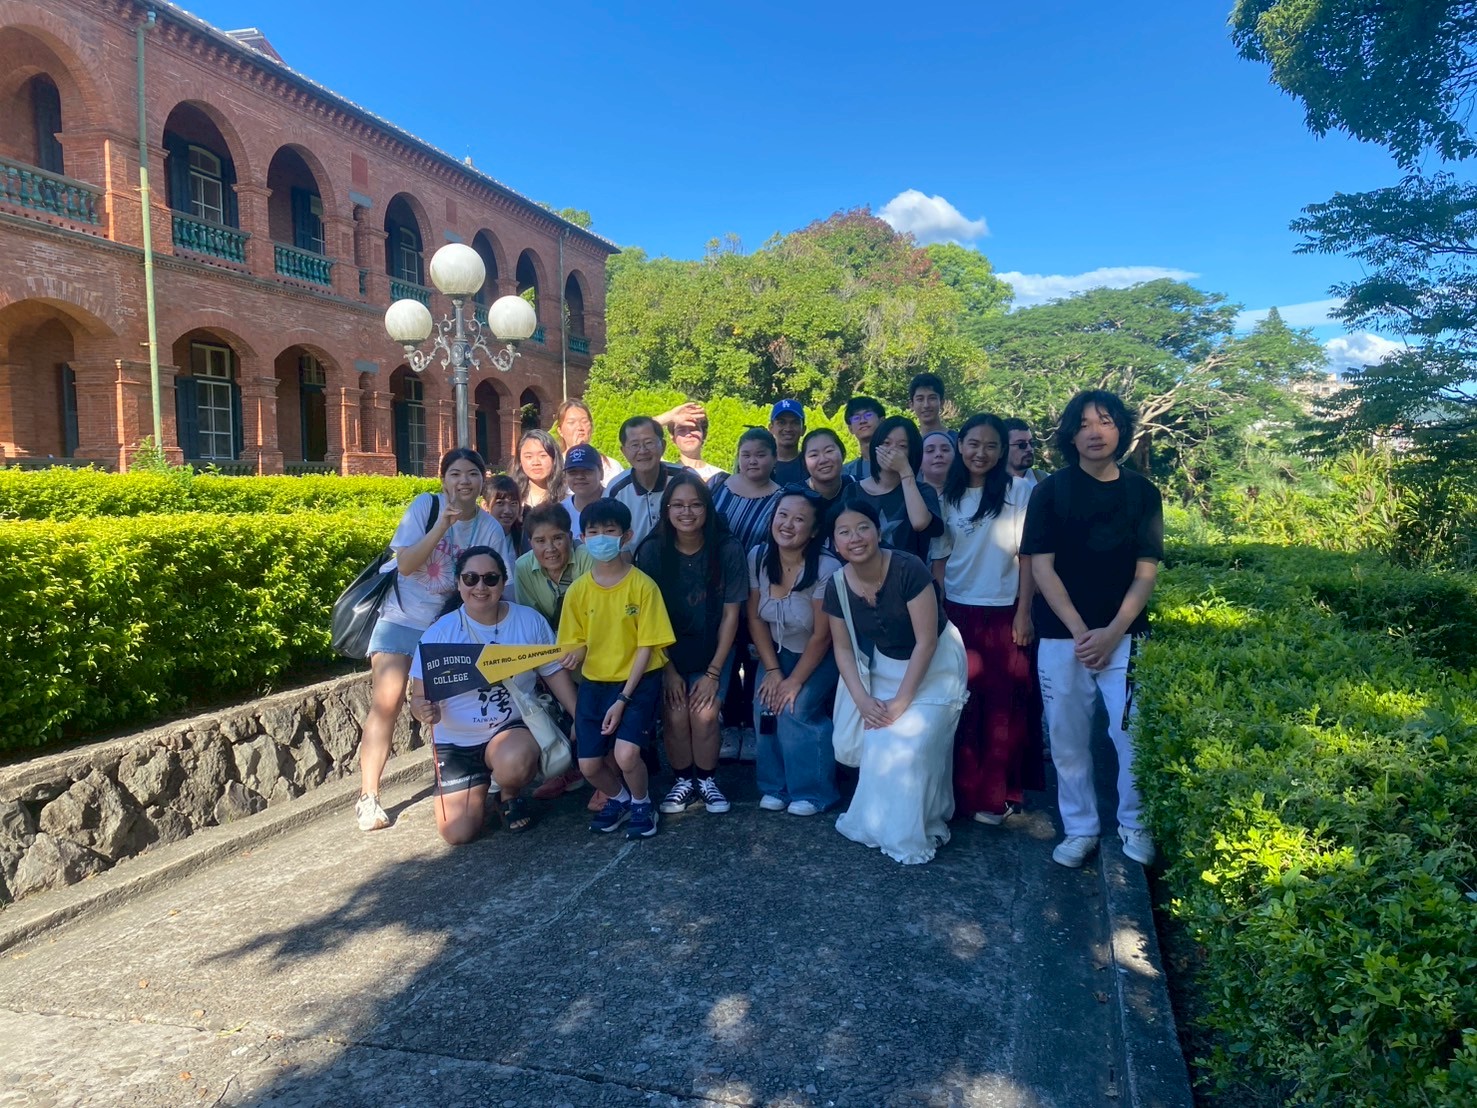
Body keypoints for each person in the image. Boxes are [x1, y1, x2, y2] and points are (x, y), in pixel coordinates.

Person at [1021, 389, 1163, 869]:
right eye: (1083, 424)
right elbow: (1042, 568)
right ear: (1070, 435)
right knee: (1067, 740)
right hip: (1062, 638)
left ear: (1121, 429)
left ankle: (1135, 823)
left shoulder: (1143, 493)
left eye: (1104, 421)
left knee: (1133, 736)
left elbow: (1146, 573)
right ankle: (1080, 828)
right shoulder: (1049, 492)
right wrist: (1084, 632)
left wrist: (1112, 632)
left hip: (1127, 637)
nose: (1094, 432)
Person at [357, 448, 517, 832]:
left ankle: (473, 780)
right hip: (402, 619)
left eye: (472, 474)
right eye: (455, 473)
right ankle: (368, 796)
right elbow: (406, 564)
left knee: (453, 705)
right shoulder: (425, 507)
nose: (464, 481)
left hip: (451, 629)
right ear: (443, 479)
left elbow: (504, 584)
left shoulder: (489, 527)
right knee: (388, 700)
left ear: (482, 480)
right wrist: (442, 527)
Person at [824, 502, 967, 864]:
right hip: (886, 667)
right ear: (835, 543)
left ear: (878, 531)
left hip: (937, 666)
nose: (855, 538)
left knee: (915, 745)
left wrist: (902, 701)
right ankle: (877, 824)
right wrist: (862, 700)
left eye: (863, 527)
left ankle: (918, 827)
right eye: (844, 532)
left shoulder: (908, 567)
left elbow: (927, 641)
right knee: (880, 743)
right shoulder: (837, 584)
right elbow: (843, 649)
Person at [409, 547, 578, 843]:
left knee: (515, 762)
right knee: (458, 834)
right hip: (456, 741)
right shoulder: (439, 634)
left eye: (490, 578)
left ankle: (507, 793)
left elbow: (553, 672)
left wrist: (580, 718)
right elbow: (418, 697)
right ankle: (476, 788)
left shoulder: (528, 621)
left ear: (503, 582)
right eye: (471, 578)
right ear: (458, 583)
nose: (480, 586)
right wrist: (423, 710)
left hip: (510, 729)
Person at [933, 413, 1043, 826]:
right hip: (957, 611)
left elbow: (1027, 557)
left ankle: (996, 797)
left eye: (991, 445)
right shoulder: (947, 495)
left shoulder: (1019, 491)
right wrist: (940, 611)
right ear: (960, 445)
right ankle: (961, 795)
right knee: (961, 705)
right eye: (974, 444)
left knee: (1002, 708)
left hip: (1003, 611)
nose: (981, 453)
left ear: (1001, 451)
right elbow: (940, 557)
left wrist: (1024, 612)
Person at [556, 498, 675, 839]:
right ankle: (620, 799)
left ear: (626, 536)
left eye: (609, 531)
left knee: (626, 754)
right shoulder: (578, 590)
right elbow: (574, 641)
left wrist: (623, 698)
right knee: (589, 764)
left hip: (637, 681)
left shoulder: (643, 586)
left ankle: (642, 803)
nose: (601, 539)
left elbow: (647, 645)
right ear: (582, 538)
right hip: (594, 683)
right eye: (593, 532)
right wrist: (576, 653)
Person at [634, 472, 748, 818]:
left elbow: (731, 614)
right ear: (666, 510)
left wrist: (713, 673)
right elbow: (648, 619)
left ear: (708, 509)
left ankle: (708, 780)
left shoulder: (727, 549)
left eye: (696, 504)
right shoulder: (652, 551)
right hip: (667, 650)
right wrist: (668, 670)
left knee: (704, 714)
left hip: (714, 648)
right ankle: (683, 780)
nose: (687, 512)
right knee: (674, 712)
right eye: (678, 505)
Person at [748, 489, 841, 815]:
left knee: (795, 707)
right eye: (782, 515)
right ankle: (774, 786)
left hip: (821, 655)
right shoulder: (758, 557)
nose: (787, 524)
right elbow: (755, 618)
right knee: (764, 705)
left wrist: (794, 681)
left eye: (799, 519)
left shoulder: (827, 567)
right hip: (776, 652)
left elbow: (821, 636)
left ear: (814, 530)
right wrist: (774, 671)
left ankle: (814, 792)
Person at [514, 501, 595, 800]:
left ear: (570, 537)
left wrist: (578, 646)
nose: (550, 548)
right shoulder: (523, 567)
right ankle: (565, 770)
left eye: (557, 538)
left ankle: (608, 778)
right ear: (530, 542)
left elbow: (599, 614)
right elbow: (532, 620)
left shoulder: (587, 559)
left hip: (594, 644)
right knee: (542, 693)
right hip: (553, 650)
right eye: (540, 541)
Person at [847, 415, 944, 564]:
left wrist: (905, 471)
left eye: (902, 446)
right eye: (886, 443)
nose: (892, 451)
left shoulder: (923, 491)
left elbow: (920, 523)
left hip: (909, 574)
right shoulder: (853, 490)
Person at [607, 416, 685, 548]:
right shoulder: (616, 491)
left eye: (649, 443)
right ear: (623, 451)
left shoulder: (685, 479)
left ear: (663, 446)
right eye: (635, 445)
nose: (642, 451)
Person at [711, 427, 783, 552]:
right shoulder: (717, 482)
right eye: (746, 455)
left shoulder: (781, 499)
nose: (752, 461)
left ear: (775, 457)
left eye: (760, 455)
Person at [553, 398, 624, 483]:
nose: (579, 427)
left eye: (584, 421)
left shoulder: (611, 466)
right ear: (560, 431)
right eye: (571, 422)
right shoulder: (554, 467)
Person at [800, 427, 856, 519]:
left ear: (843, 453)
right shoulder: (794, 496)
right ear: (804, 462)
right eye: (814, 455)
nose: (823, 460)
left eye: (829, 451)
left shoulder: (860, 487)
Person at [662, 403, 726, 483]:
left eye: (694, 429)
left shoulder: (720, 477)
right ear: (673, 437)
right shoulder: (664, 473)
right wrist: (669, 417)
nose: (688, 434)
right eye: (682, 430)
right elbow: (645, 431)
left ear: (704, 434)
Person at [510, 429, 567, 510]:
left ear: (554, 458)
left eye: (543, 456)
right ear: (520, 461)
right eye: (528, 457)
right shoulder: (510, 499)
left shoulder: (567, 499)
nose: (536, 462)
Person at [561, 444, 606, 536]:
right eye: (572, 472)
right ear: (565, 476)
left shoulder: (619, 502)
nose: (579, 477)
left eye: (587, 471)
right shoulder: (560, 512)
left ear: (601, 473)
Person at [842, 397, 885, 481]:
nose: (862, 421)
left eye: (868, 415)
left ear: (882, 421)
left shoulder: (900, 462)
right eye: (856, 418)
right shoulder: (846, 472)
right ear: (850, 429)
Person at [485, 473, 527, 556]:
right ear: (485, 506)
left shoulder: (524, 537)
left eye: (513, 503)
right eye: (500, 503)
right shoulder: (478, 536)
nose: (507, 510)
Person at [769, 399, 808, 485]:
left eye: (795, 423)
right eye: (781, 422)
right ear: (771, 428)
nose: (788, 429)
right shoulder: (763, 464)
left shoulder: (811, 465)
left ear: (803, 430)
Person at [1003, 418, 1045, 489]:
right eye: (1021, 445)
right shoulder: (987, 484)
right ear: (1003, 448)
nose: (1029, 449)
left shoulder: (1046, 481)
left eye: (1031, 443)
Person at [908, 373, 951, 439]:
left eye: (932, 398)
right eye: (920, 399)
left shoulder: (957, 441)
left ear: (942, 403)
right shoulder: (911, 443)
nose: (926, 405)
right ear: (911, 404)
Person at [920, 429, 955, 495]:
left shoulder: (969, 495)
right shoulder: (908, 495)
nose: (938, 454)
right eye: (930, 450)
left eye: (945, 449)